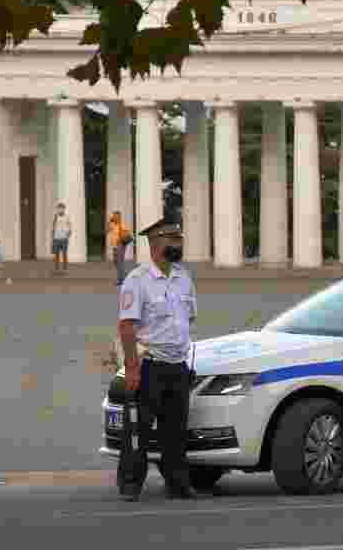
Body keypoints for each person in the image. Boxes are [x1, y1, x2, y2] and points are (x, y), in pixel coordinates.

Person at [116, 217, 198, 501]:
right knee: (138, 429)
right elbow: (126, 326)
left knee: (175, 431)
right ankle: (131, 483)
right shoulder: (137, 280)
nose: (178, 245)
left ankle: (178, 483)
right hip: (149, 366)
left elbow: (188, 318)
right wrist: (132, 368)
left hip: (178, 366)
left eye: (179, 239)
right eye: (172, 240)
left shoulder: (184, 278)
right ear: (154, 245)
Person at [108, 211, 132, 285]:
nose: (115, 217)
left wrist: (121, 238)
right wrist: (110, 221)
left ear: (119, 217)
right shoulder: (112, 225)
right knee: (116, 262)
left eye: (116, 216)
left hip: (120, 245)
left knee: (119, 262)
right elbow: (107, 230)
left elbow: (127, 233)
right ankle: (124, 275)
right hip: (114, 245)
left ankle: (120, 279)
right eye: (114, 216)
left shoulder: (122, 225)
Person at [52, 202, 71, 274]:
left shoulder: (67, 217)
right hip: (56, 238)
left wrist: (67, 234)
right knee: (56, 254)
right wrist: (53, 237)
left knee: (64, 254)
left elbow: (69, 226)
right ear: (57, 209)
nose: (60, 210)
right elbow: (53, 226)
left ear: (64, 209)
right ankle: (56, 269)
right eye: (59, 208)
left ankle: (65, 269)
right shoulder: (56, 216)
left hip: (64, 238)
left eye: (62, 208)